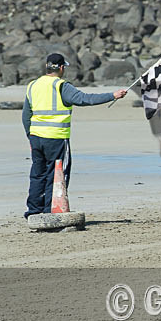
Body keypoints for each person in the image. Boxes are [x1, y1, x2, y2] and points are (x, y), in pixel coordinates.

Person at [22, 53, 127, 218]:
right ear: (62, 68)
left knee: (37, 175)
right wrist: (112, 96)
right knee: (57, 175)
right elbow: (85, 99)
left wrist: (30, 136)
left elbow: (26, 116)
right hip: (56, 138)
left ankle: (33, 211)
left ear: (48, 67)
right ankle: (51, 211)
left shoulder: (32, 85)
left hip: (36, 137)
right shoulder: (61, 86)